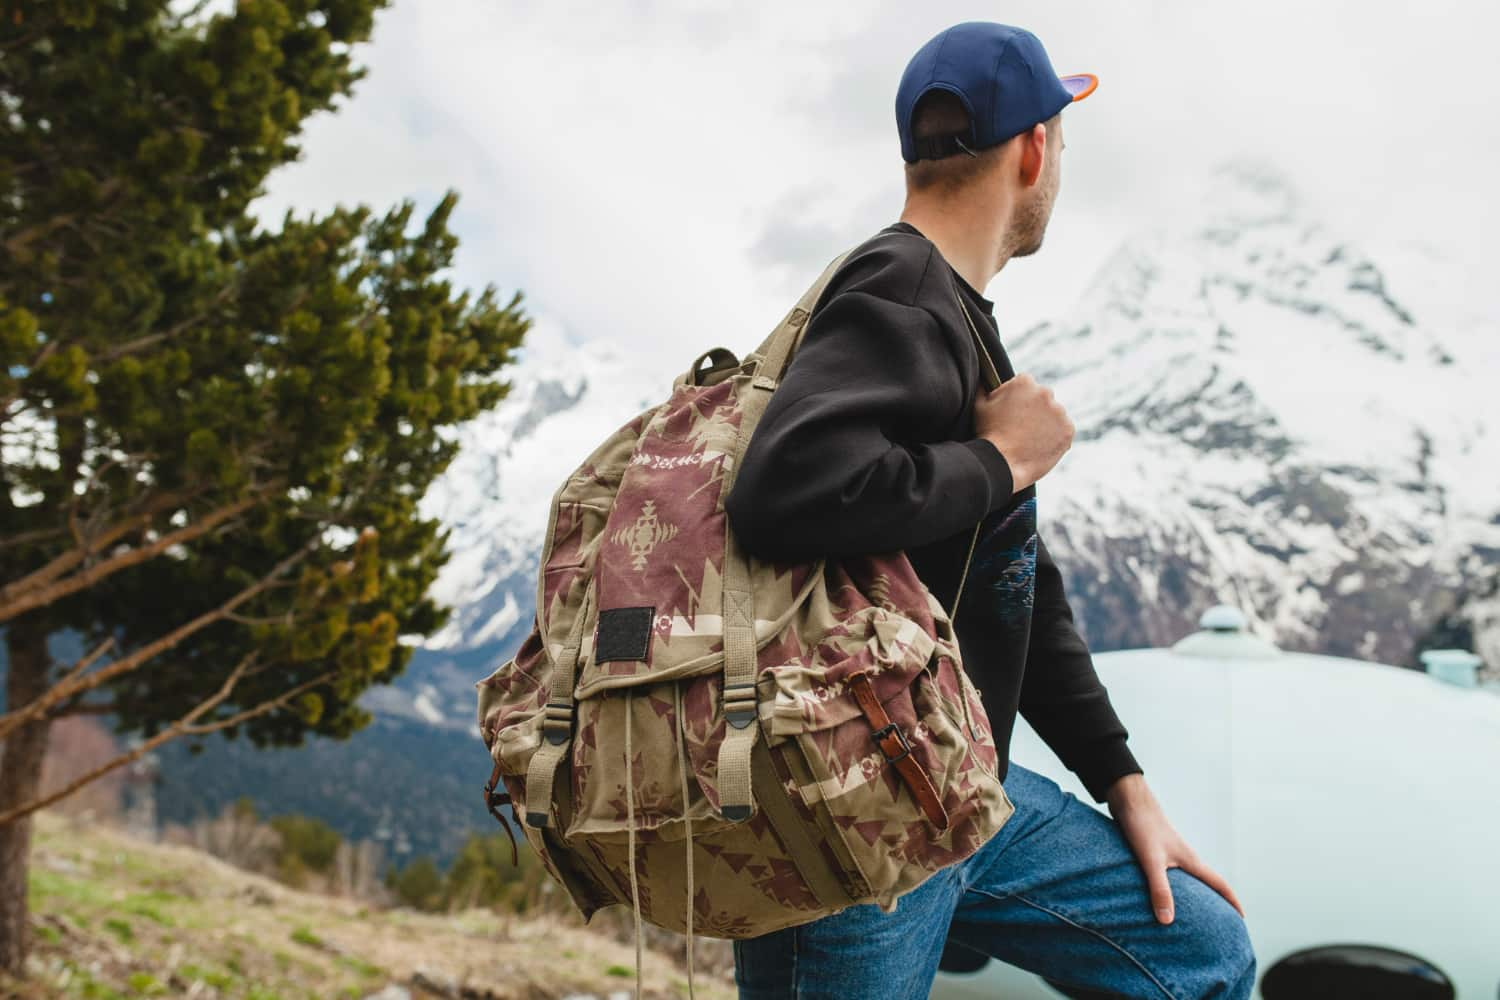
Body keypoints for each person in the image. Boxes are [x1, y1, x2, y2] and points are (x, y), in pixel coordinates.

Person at [722, 21, 1257, 1000]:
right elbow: (783, 493)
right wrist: (1005, 455)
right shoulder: (899, 288)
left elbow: (1013, 582)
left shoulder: (957, 317)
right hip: (854, 820)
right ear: (1034, 150)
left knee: (1201, 954)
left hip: (963, 792)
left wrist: (1122, 784)